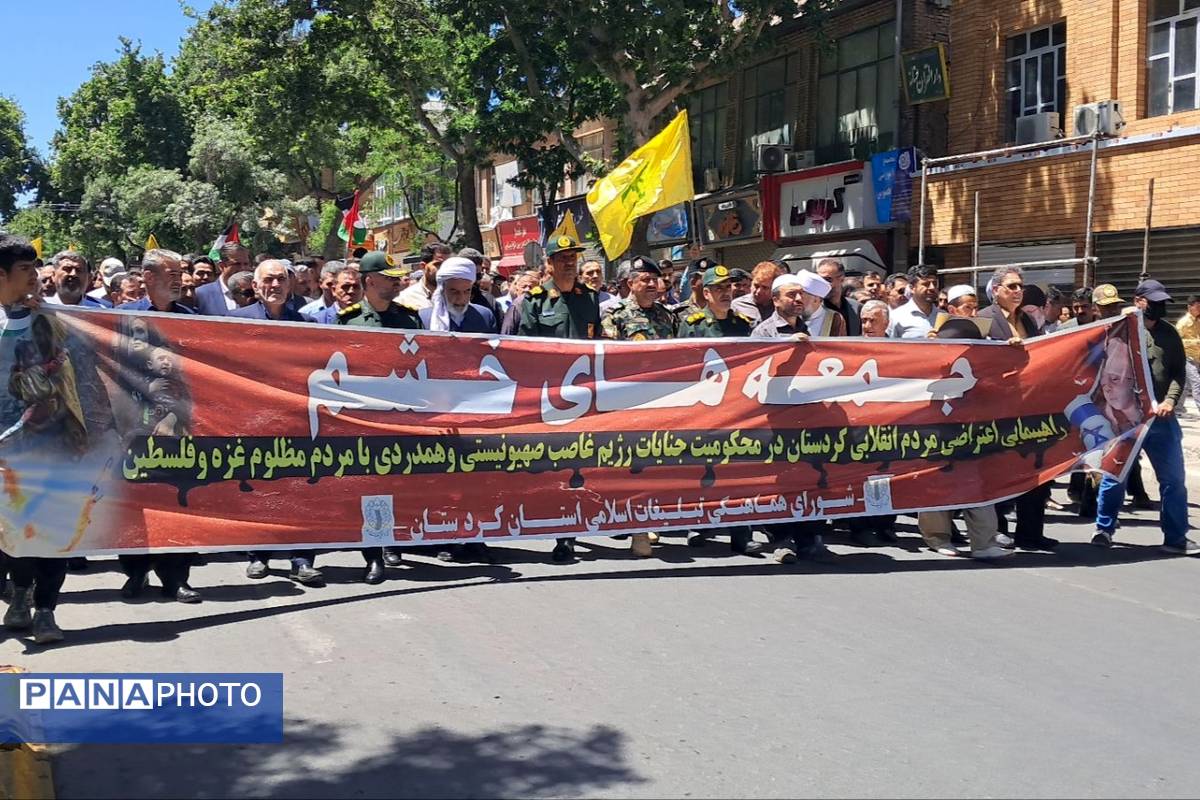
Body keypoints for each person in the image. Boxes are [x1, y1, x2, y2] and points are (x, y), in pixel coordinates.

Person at [114, 249, 203, 603]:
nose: (179, 280)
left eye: (180, 273)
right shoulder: (123, 319)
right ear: (149, 277)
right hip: (133, 428)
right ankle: (135, 573)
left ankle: (176, 577)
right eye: (172, 273)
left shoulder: (193, 320)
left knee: (177, 501)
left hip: (178, 429)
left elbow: (198, 377)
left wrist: (176, 415)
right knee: (136, 502)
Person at [0, 235, 71, 644]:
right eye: (25, 269)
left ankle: (46, 610)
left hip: (50, 442)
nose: (34, 276)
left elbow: (73, 373)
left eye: (35, 268)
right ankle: (20, 593)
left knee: (52, 529)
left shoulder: (49, 319)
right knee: (13, 530)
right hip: (5, 451)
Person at [515, 229, 601, 563]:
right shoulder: (535, 301)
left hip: (585, 397)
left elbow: (599, 345)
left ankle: (569, 533)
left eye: (573, 258)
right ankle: (551, 523)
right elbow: (524, 351)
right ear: (549, 263)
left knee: (578, 466)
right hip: (548, 399)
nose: (569, 263)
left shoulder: (589, 299)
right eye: (562, 258)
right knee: (552, 468)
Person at [1092, 280, 1196, 555]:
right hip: (1125, 419)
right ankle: (1104, 529)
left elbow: (1178, 373)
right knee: (1115, 475)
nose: (1158, 307)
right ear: (1138, 301)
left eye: (1162, 303)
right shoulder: (1119, 330)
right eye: (1153, 302)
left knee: (1173, 480)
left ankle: (1176, 538)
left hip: (1161, 420)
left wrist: (1170, 401)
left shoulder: (1169, 334)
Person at [679, 264, 764, 556]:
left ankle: (741, 534)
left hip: (735, 406)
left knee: (736, 470)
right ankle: (699, 525)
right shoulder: (693, 325)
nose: (726, 293)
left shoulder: (742, 324)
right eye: (718, 289)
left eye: (728, 288)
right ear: (706, 293)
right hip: (702, 407)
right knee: (702, 469)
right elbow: (682, 366)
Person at [976, 266, 1058, 551]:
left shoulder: (1029, 320)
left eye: (1020, 286)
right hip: (997, 410)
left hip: (1029, 407)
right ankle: (998, 529)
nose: (1018, 291)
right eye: (1011, 286)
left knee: (1036, 470)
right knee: (999, 471)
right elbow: (974, 359)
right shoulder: (984, 318)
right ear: (995, 290)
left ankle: (1031, 533)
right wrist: (1002, 352)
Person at [917, 318, 1014, 560]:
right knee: (936, 486)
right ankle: (937, 538)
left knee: (976, 487)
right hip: (936, 434)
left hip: (971, 433)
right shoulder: (928, 359)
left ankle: (983, 543)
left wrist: (1013, 349)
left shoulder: (981, 363)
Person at [598, 256, 675, 558]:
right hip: (626, 403)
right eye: (645, 279)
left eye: (655, 279)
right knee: (630, 466)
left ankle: (647, 520)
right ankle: (637, 529)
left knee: (655, 465)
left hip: (660, 403)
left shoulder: (667, 316)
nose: (652, 284)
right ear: (630, 283)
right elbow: (607, 356)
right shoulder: (615, 315)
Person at [420, 256, 498, 334]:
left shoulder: (485, 317)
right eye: (454, 291)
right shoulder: (423, 319)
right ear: (442, 290)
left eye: (467, 291)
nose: (461, 298)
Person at [229, 261, 312, 322]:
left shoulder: (305, 322)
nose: (276, 285)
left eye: (281, 279)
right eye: (268, 279)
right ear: (255, 286)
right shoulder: (236, 320)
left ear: (288, 284)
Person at [194, 242, 251, 315]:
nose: (243, 268)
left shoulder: (256, 293)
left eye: (246, 264)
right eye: (237, 264)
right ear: (221, 266)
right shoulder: (201, 294)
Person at [887, 265, 940, 338]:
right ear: (912, 288)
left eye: (935, 284)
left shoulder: (945, 317)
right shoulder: (895, 317)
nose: (932, 288)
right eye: (926, 284)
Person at [45, 251, 111, 308]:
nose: (74, 274)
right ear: (53, 275)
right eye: (67, 269)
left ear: (88, 277)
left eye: (79, 270)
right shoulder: (42, 307)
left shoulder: (100, 311)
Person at [397, 242, 451, 310]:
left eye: (449, 265)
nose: (445, 269)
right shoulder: (405, 299)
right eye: (438, 264)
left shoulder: (457, 296)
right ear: (423, 266)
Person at [815, 258, 862, 336]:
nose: (823, 284)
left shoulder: (856, 308)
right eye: (820, 280)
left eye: (827, 279)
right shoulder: (814, 309)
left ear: (842, 279)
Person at [1177, 294, 1200, 415]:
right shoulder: (1183, 323)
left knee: (1184, 385)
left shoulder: (1198, 321)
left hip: (1196, 357)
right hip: (1187, 357)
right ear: (1190, 307)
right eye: (1198, 306)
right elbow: (1177, 341)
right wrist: (1195, 342)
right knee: (1197, 383)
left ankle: (1178, 408)